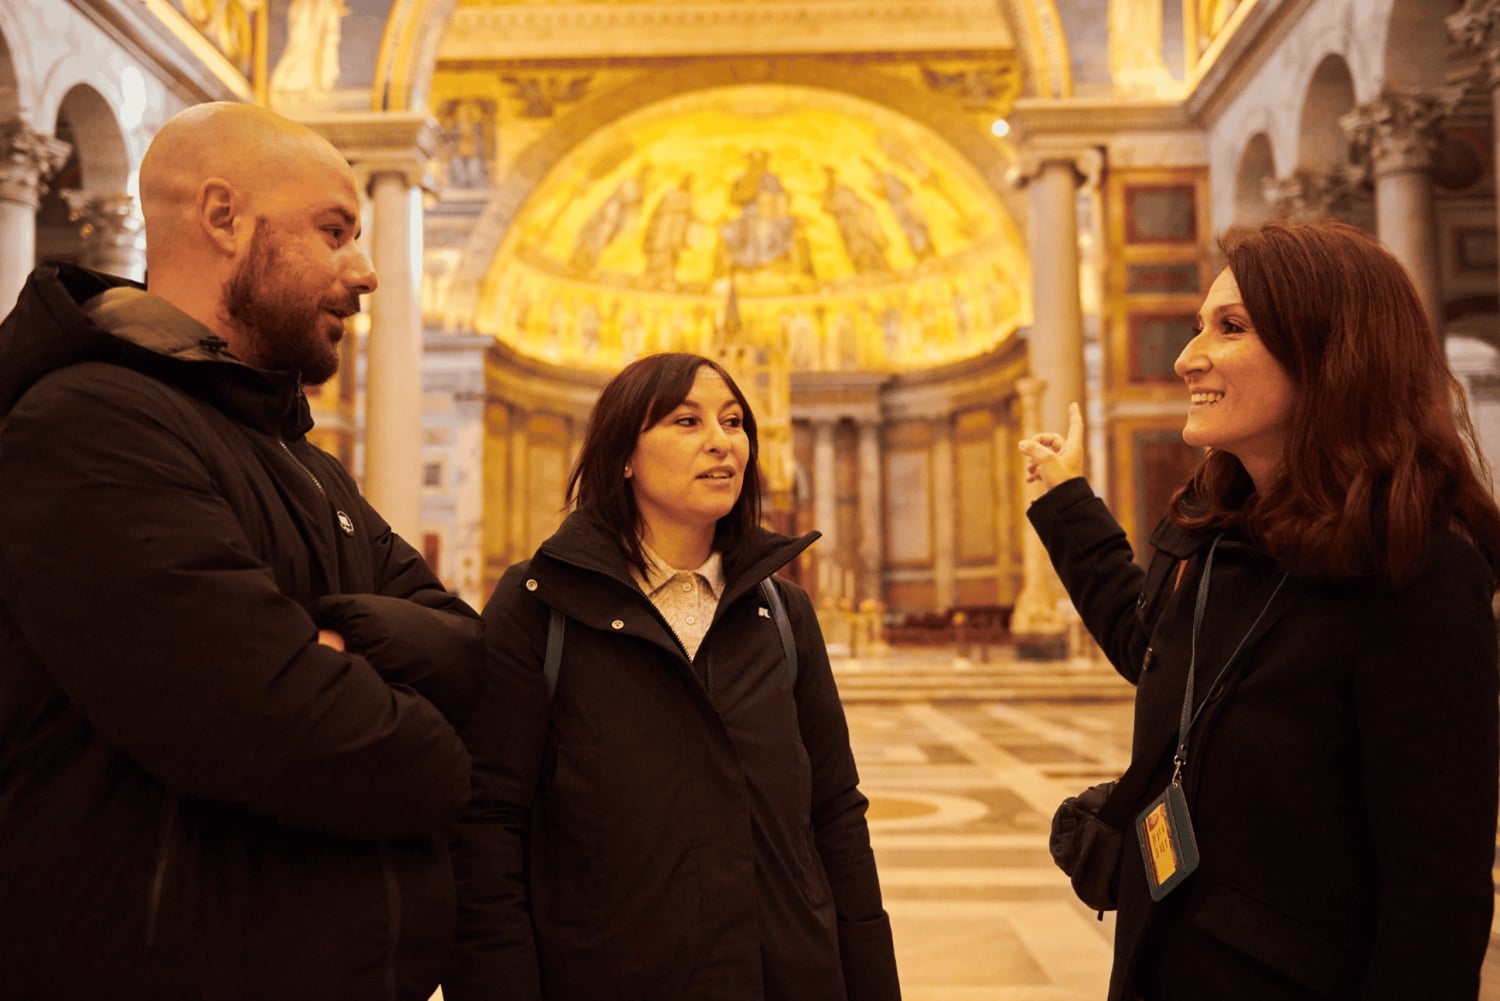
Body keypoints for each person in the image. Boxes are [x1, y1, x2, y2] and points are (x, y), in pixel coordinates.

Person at [0, 101, 484, 1001]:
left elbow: (473, 650)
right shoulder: (90, 424)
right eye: (335, 232)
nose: (367, 272)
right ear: (224, 217)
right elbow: (280, 725)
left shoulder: (308, 467)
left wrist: (333, 646)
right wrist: (462, 754)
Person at [1018, 218, 1500, 1000]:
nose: (1185, 357)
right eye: (1198, 326)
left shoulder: (1418, 569)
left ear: (1330, 352)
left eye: (1230, 327)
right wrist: (1068, 504)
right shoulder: (1214, 532)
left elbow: (1435, 893)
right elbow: (1153, 649)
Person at [446, 352, 900, 1001]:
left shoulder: (782, 610)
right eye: (687, 421)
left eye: (735, 420)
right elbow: (486, 827)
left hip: (784, 973)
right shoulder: (539, 604)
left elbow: (834, 811)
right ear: (623, 454)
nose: (723, 440)